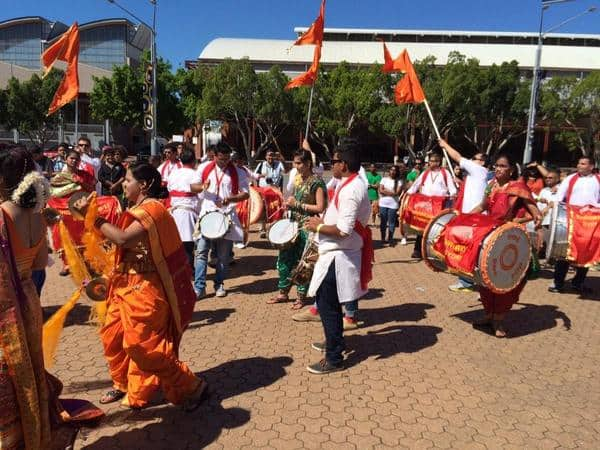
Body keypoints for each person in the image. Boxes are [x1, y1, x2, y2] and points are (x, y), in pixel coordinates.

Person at [75, 162, 207, 411]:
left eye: (127, 180)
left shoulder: (153, 210)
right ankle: (123, 384)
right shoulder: (135, 208)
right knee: (112, 339)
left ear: (144, 185)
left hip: (145, 290)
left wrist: (95, 218)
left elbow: (123, 239)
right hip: (123, 287)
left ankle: (191, 385)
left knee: (143, 347)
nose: (123, 184)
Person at [0, 146, 103, 449]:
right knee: (28, 365)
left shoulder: (2, 216)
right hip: (28, 300)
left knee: (8, 374)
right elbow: (37, 264)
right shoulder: (37, 215)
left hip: (6, 308)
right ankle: (34, 430)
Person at [303, 140, 372, 374]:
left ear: (343, 164)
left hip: (339, 257)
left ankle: (334, 357)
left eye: (333, 161)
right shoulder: (347, 182)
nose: (331, 164)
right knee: (327, 305)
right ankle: (334, 341)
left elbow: (344, 230)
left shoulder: (352, 189)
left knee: (328, 306)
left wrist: (319, 227)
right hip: (335, 254)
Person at [470, 154, 541, 337]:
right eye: (497, 165)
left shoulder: (518, 188)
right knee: (483, 276)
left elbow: (535, 212)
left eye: (503, 166)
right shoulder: (491, 185)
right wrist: (465, 217)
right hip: (490, 235)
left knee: (505, 278)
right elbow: (483, 206)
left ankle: (498, 319)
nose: (498, 169)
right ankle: (489, 314)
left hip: (509, 238)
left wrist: (520, 219)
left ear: (511, 170)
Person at [267, 149, 326, 309]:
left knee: (303, 263)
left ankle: (301, 297)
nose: (296, 166)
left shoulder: (317, 182)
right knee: (284, 259)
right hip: (293, 224)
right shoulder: (297, 179)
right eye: (295, 162)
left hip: (308, 226)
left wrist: (298, 205)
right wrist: (287, 204)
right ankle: (283, 292)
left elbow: (321, 206)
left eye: (299, 163)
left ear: (308, 164)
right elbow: (292, 199)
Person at [191, 143, 249, 298]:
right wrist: (202, 186)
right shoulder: (204, 168)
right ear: (214, 156)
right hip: (207, 214)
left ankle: (219, 284)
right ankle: (199, 288)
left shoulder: (237, 171)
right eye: (221, 159)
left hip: (227, 215)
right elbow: (192, 187)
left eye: (227, 159)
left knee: (223, 257)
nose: (224, 162)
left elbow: (245, 194)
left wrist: (230, 198)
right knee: (202, 252)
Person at [438, 139, 489, 291]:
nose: (472, 160)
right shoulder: (479, 175)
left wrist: (445, 145)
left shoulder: (479, 170)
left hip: (473, 218)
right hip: (473, 217)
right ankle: (470, 281)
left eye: (474, 158)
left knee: (468, 248)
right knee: (471, 248)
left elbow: (457, 157)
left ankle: (467, 282)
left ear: (481, 162)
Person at [549, 156, 600, 294]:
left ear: (591, 166)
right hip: (571, 219)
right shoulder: (570, 178)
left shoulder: (598, 179)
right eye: (578, 163)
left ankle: (578, 283)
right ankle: (558, 283)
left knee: (586, 252)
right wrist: (555, 207)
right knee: (565, 251)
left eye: (583, 163)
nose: (579, 165)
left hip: (590, 221)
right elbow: (559, 197)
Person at [48, 148, 97, 276]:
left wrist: (80, 182)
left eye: (77, 159)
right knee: (64, 237)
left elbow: (92, 190)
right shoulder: (58, 177)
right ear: (66, 159)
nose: (74, 161)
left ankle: (86, 262)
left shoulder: (85, 175)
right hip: (63, 212)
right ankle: (66, 264)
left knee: (83, 236)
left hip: (81, 209)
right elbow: (53, 196)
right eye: (71, 158)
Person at [406, 151, 457, 259]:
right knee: (421, 227)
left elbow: (451, 187)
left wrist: (453, 194)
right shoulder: (425, 173)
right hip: (425, 205)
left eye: (433, 161)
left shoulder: (445, 173)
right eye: (429, 161)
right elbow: (416, 184)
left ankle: (433, 253)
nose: (430, 163)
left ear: (438, 162)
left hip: (439, 205)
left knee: (436, 229)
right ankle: (417, 250)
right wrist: (408, 194)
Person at [167, 149, 200, 267]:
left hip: (173, 212)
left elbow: (169, 189)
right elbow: (200, 194)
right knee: (187, 246)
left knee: (175, 245)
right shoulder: (195, 174)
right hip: (187, 213)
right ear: (193, 161)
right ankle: (188, 272)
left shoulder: (173, 173)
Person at [378, 165, 403, 246]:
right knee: (383, 222)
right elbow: (381, 190)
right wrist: (391, 193)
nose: (392, 172)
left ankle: (390, 239)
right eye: (391, 170)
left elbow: (397, 193)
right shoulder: (384, 179)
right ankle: (382, 238)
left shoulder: (399, 181)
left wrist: (386, 191)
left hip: (393, 204)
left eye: (394, 170)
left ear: (397, 172)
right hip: (383, 203)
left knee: (391, 223)